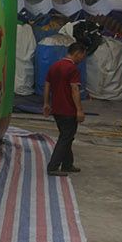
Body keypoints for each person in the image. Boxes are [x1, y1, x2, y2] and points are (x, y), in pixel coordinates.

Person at [43, 42, 88, 176]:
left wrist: (46, 103)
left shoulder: (54, 66)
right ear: (77, 53)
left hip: (57, 109)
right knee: (65, 137)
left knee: (67, 136)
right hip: (68, 109)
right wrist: (79, 110)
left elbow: (47, 85)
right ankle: (53, 166)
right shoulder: (72, 69)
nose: (82, 59)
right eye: (82, 56)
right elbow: (75, 89)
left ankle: (67, 164)